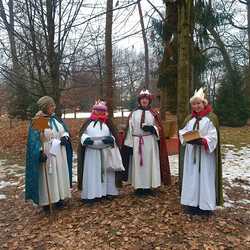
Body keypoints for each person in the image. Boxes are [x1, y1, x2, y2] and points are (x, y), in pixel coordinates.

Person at [179, 88, 223, 216]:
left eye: (199, 103)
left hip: (205, 155)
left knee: (205, 177)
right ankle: (191, 204)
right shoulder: (189, 119)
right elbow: (183, 132)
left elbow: (213, 136)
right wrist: (187, 138)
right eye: (194, 104)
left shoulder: (211, 118)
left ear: (204, 104)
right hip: (192, 154)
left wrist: (204, 141)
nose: (196, 106)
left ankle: (205, 206)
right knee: (191, 177)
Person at [25, 96, 72, 211]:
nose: (54, 107)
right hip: (48, 152)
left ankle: (60, 198)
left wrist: (65, 137)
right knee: (50, 176)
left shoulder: (55, 118)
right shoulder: (40, 120)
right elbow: (35, 140)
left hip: (59, 151)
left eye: (53, 105)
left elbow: (63, 130)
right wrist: (40, 152)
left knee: (59, 174)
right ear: (45, 107)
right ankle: (47, 201)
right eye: (51, 106)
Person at [122, 89, 171, 196]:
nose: (144, 101)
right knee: (138, 165)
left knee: (149, 164)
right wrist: (129, 144)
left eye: (146, 99)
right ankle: (139, 187)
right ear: (139, 100)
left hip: (150, 142)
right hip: (136, 142)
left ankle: (149, 186)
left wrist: (153, 129)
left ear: (149, 101)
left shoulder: (153, 113)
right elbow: (129, 129)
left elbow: (160, 128)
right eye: (142, 99)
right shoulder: (133, 113)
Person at [77, 100, 124, 204]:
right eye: (97, 110)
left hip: (105, 151)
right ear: (94, 111)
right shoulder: (88, 122)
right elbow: (82, 134)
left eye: (101, 111)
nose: (99, 112)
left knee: (107, 173)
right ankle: (91, 194)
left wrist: (111, 139)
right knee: (92, 173)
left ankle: (107, 192)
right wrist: (85, 139)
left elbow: (113, 134)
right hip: (91, 152)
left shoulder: (108, 122)